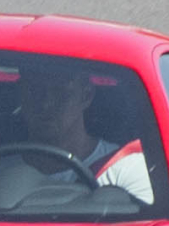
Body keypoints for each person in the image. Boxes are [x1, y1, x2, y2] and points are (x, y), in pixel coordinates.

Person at [12, 61, 156, 201]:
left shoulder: (126, 168)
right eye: (34, 90)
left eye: (60, 92)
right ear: (20, 94)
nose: (45, 103)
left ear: (86, 95)